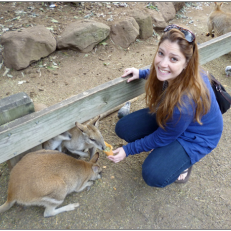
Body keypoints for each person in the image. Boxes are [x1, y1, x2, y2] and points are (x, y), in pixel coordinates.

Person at [107, 24, 223, 187]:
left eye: (173, 59)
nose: (162, 63)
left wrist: (128, 150)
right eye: (161, 53)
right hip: (173, 117)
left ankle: (182, 164)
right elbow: (161, 72)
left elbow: (163, 136)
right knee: (124, 128)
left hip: (197, 136)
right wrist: (140, 72)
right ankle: (168, 150)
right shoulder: (183, 72)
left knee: (153, 174)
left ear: (186, 63)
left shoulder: (184, 103)